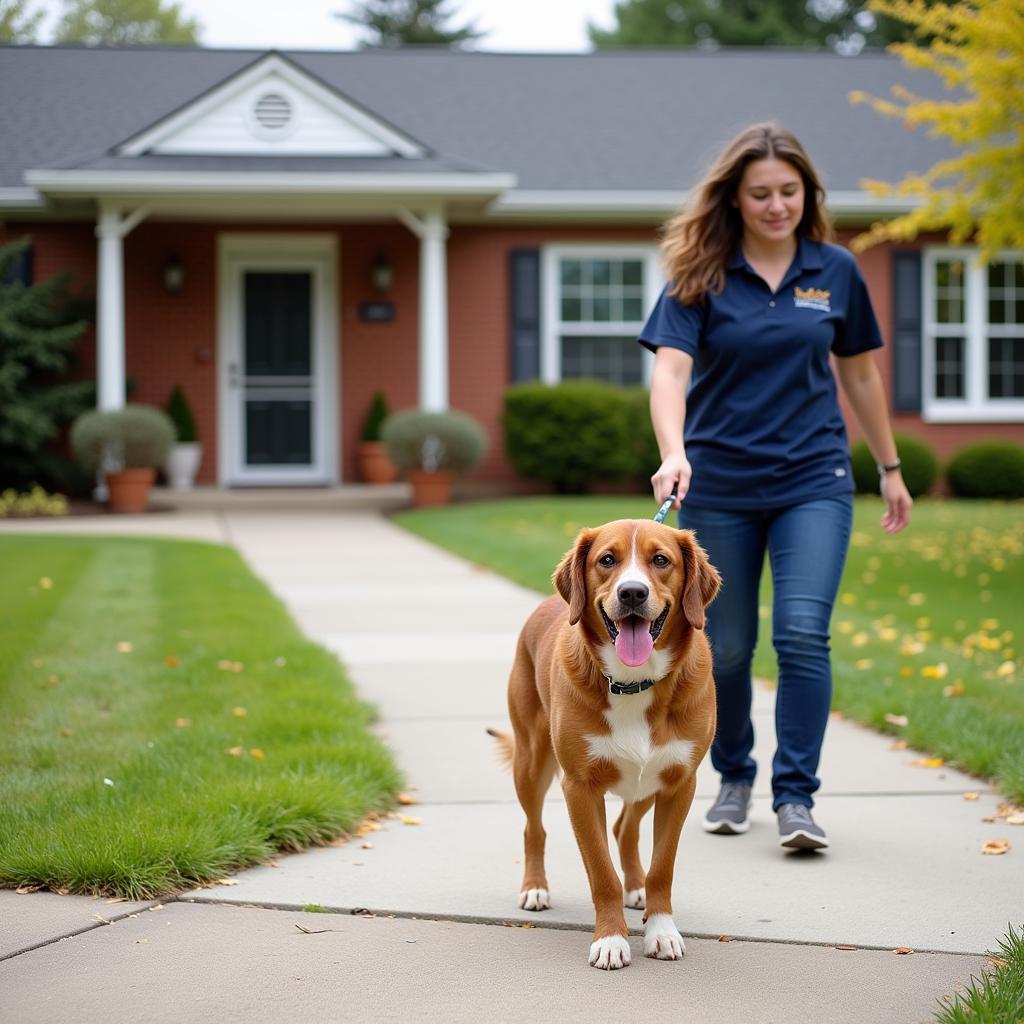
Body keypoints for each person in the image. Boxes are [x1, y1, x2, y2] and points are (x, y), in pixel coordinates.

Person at [638, 122, 912, 851]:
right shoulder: (700, 273)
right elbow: (670, 369)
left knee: (800, 633)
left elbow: (859, 372)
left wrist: (889, 467)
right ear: (734, 197)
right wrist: (674, 450)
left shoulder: (835, 270)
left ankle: (796, 797)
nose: (775, 205)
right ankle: (732, 775)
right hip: (719, 484)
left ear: (807, 194)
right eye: (760, 193)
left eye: (788, 191)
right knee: (721, 648)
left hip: (812, 479)